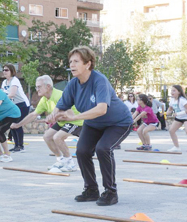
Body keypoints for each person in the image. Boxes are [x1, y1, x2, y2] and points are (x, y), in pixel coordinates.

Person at [48, 46, 133, 206]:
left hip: (118, 123)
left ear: (88, 64)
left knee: (103, 148)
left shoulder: (99, 80)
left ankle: (110, 192)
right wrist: (54, 113)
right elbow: (61, 104)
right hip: (94, 124)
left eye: (76, 61)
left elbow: (101, 109)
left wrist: (75, 117)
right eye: (70, 61)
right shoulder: (73, 84)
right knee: (82, 151)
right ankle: (91, 190)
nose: (72, 65)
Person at [11, 75, 83, 172]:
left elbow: (70, 114)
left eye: (39, 87)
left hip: (75, 121)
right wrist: (18, 125)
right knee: (47, 136)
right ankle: (60, 160)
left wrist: (55, 117)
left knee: (57, 137)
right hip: (63, 122)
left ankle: (70, 163)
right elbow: (33, 114)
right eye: (36, 87)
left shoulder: (59, 96)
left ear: (48, 86)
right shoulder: (44, 99)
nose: (37, 89)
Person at [1, 63, 30, 152]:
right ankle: (16, 145)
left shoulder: (15, 80)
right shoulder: (4, 82)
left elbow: (12, 94)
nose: (4, 72)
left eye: (6, 70)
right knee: (11, 125)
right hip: (13, 106)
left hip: (22, 104)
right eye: (3, 70)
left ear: (12, 71)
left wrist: (1, 100)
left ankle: (20, 146)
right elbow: (2, 94)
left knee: (17, 124)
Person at [166, 85, 187, 155]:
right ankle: (176, 147)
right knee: (171, 130)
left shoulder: (182, 100)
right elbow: (170, 108)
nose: (172, 92)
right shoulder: (172, 100)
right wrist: (168, 111)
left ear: (179, 92)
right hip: (179, 117)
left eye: (174, 90)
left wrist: (178, 113)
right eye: (171, 90)